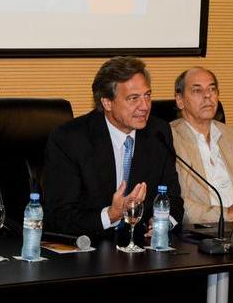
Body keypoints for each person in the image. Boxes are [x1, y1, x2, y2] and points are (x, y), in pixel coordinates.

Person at [43, 56, 184, 236]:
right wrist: (110, 215)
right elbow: (59, 216)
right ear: (107, 102)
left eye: (147, 95)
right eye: (133, 98)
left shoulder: (158, 132)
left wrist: (162, 223)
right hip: (92, 244)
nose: (145, 106)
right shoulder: (70, 139)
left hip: (142, 244)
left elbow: (173, 198)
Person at [171, 67, 233, 224]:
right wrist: (224, 214)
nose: (207, 95)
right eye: (197, 90)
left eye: (212, 89)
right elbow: (174, 202)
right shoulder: (169, 139)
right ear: (180, 100)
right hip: (205, 228)